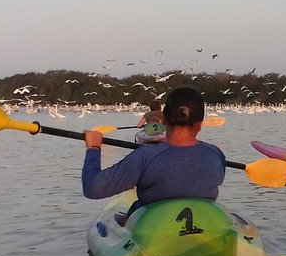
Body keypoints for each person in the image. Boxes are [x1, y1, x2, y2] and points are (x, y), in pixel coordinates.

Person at [82, 87, 226, 216]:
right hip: (205, 227)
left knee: (133, 210)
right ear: (200, 125)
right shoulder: (216, 155)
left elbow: (93, 188)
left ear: (162, 121)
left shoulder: (145, 156)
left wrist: (94, 149)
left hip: (155, 233)